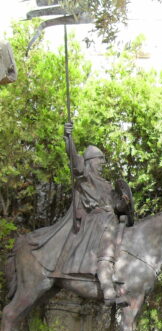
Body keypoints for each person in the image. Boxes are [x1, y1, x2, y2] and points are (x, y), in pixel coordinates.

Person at [29, 123, 130, 306]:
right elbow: (75, 161)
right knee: (106, 249)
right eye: (99, 160)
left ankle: (121, 278)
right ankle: (108, 288)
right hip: (96, 223)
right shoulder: (85, 178)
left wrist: (124, 201)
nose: (102, 164)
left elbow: (117, 206)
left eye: (102, 160)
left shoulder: (106, 184)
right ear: (90, 162)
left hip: (111, 220)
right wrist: (69, 139)